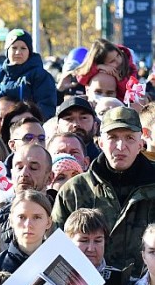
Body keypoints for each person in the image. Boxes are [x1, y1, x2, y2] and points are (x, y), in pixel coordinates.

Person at [52, 107, 155, 270]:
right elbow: (55, 249)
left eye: (129, 138)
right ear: (100, 143)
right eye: (112, 137)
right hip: (88, 283)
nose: (120, 146)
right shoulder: (74, 191)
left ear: (140, 144)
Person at [0, 29, 56, 133]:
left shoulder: (40, 75)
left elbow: (46, 107)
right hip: (0, 132)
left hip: (28, 132)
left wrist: (28, 125)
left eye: (23, 48)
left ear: (29, 51)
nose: (18, 52)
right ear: (7, 50)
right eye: (14, 48)